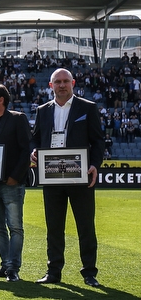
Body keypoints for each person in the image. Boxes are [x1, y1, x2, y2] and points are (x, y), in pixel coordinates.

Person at [31, 68, 104, 286]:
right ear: (50, 86)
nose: (62, 85)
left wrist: (94, 165)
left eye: (65, 81)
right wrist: (33, 151)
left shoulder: (87, 108)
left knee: (85, 226)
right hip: (51, 175)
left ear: (72, 83)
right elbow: (34, 139)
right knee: (54, 227)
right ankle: (53, 272)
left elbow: (98, 141)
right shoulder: (42, 110)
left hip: (79, 175)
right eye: (57, 82)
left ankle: (89, 273)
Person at [0, 84, 32, 283]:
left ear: (1, 99)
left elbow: (26, 150)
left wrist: (16, 177)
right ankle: (5, 264)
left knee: (15, 227)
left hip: (11, 183)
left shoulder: (18, 119)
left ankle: (13, 267)